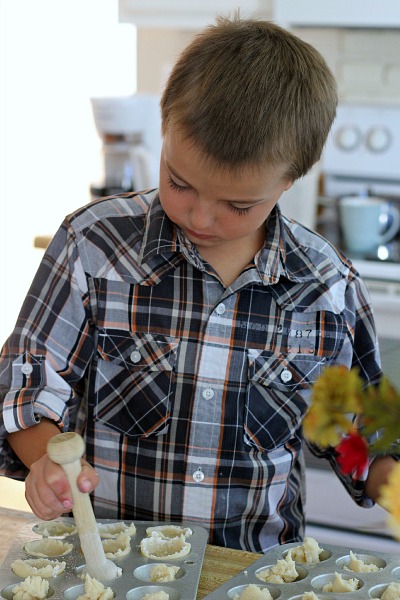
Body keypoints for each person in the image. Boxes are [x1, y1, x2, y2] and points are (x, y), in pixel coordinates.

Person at [0, 15, 396, 554]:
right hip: (108, 566)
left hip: (253, 571)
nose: (201, 217)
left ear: (291, 180)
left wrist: (391, 486)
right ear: (163, 134)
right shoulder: (93, 246)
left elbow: (356, 436)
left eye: (238, 205)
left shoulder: (327, 288)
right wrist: (45, 459)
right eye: (179, 182)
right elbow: (26, 388)